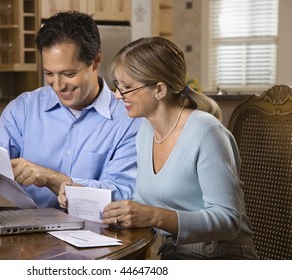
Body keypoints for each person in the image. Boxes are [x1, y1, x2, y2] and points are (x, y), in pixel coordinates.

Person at [59, 37, 257, 259]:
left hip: (220, 256)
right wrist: (82, 191)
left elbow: (227, 221)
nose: (117, 96)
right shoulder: (145, 131)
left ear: (159, 90)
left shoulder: (207, 132)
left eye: (126, 88)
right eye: (117, 87)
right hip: (175, 252)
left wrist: (154, 216)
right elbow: (142, 201)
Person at [0, 11, 141, 208]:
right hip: (28, 233)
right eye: (49, 74)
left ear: (95, 62)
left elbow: (121, 194)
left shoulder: (129, 118)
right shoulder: (25, 108)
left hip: (99, 234)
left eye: (68, 74)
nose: (58, 86)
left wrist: (52, 179)